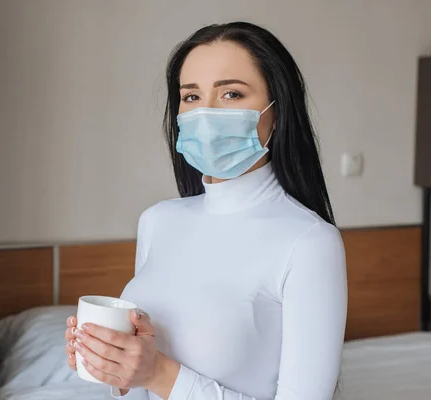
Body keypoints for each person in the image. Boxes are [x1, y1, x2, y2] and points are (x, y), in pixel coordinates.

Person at [64, 21, 347, 400]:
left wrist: (157, 372)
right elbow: (144, 386)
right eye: (191, 97)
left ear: (276, 112)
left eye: (231, 94)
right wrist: (116, 363)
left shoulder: (309, 242)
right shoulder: (158, 221)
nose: (206, 114)